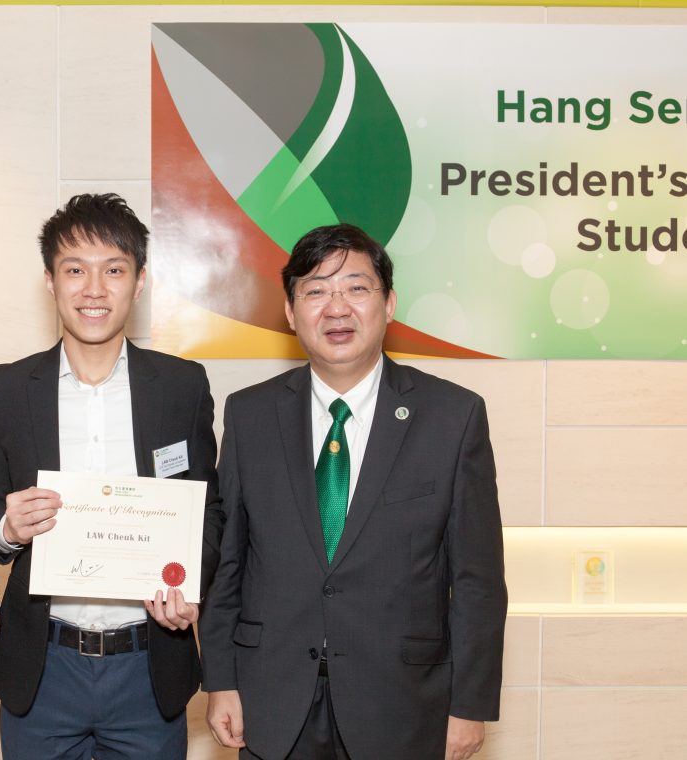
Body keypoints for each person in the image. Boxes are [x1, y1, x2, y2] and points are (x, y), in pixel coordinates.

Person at [200, 223, 507, 760]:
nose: (336, 308)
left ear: (388, 305)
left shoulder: (453, 417)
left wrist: (469, 705)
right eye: (316, 291)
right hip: (271, 700)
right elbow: (230, 562)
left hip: (405, 707)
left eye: (356, 288)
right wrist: (220, 678)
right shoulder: (249, 415)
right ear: (291, 313)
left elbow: (477, 580)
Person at [0, 193, 222, 759]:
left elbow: (208, 508)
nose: (93, 288)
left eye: (113, 269)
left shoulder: (181, 387)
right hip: (43, 666)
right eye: (74, 270)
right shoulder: (9, 389)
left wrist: (189, 585)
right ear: (50, 281)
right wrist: (8, 528)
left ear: (138, 282)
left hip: (149, 661)